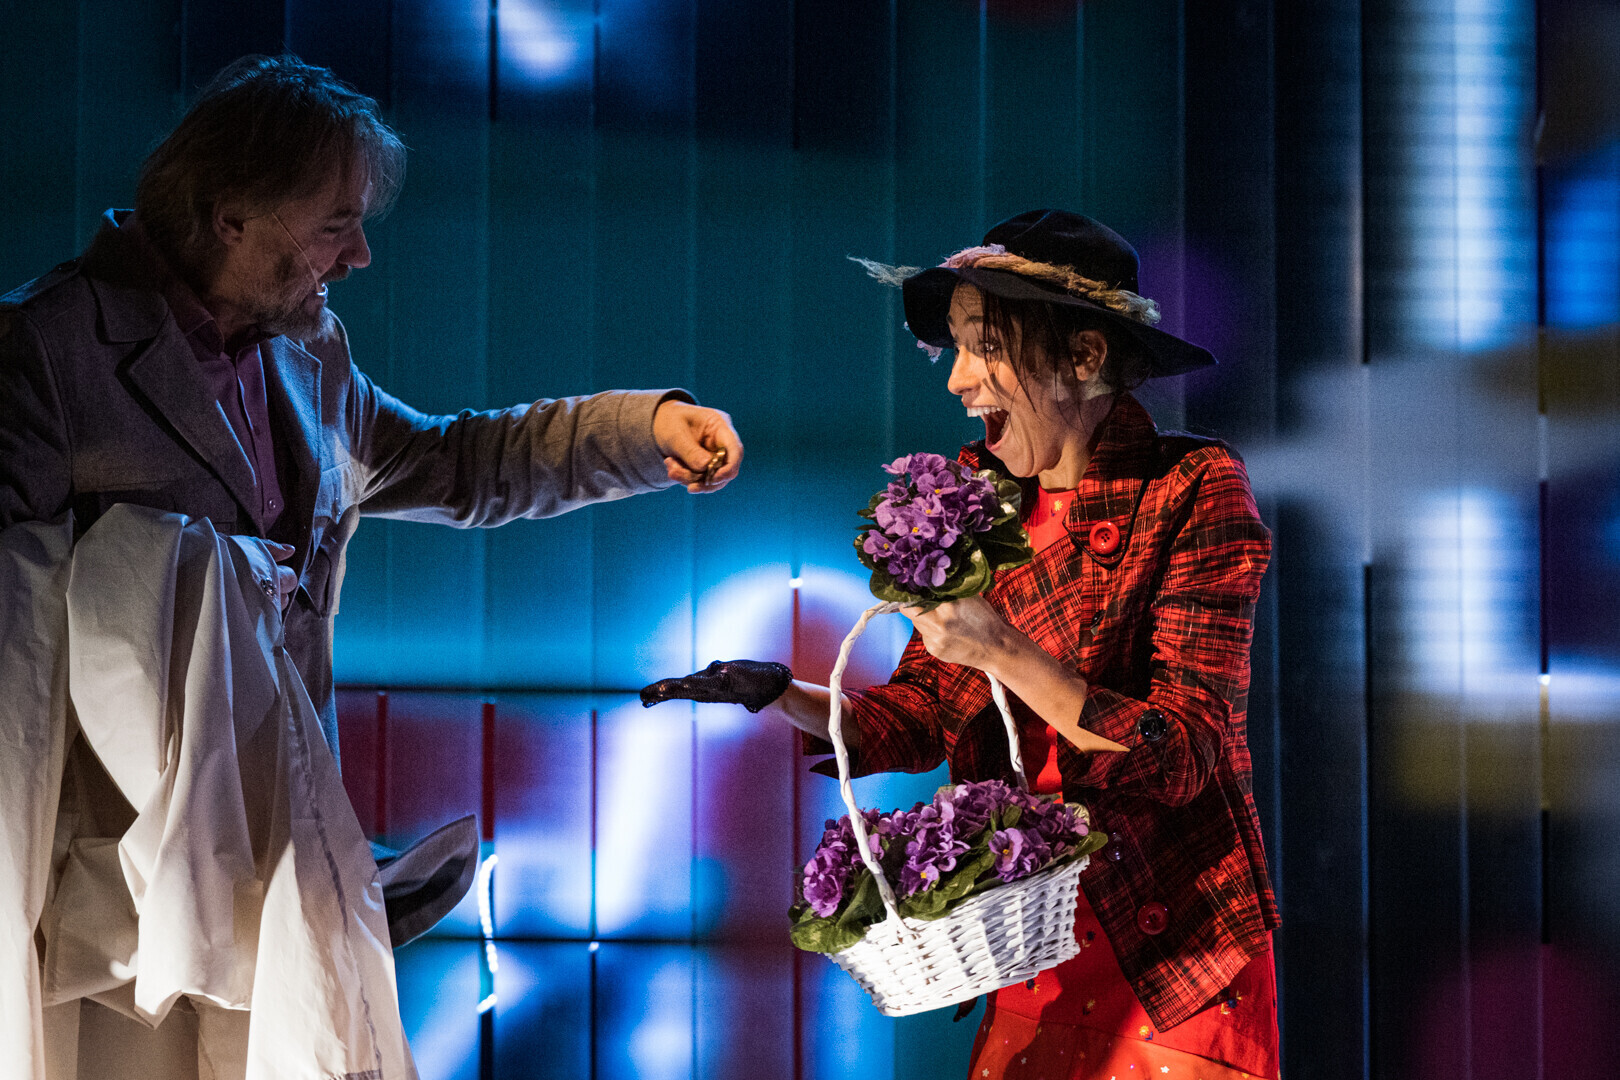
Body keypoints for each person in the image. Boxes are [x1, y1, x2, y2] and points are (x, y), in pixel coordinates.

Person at [0, 55, 743, 945]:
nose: (358, 256)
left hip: (272, 881)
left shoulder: (308, 350)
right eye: (335, 226)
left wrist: (642, 430)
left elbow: (451, 462)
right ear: (230, 216)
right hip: (102, 895)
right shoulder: (40, 351)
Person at [644, 210, 1278, 1079]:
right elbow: (923, 712)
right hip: (1030, 946)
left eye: (985, 348)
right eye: (956, 349)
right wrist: (781, 692)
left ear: (1084, 356)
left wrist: (1002, 648)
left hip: (1173, 956)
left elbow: (1183, 754)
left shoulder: (1192, 490)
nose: (958, 381)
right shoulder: (975, 498)